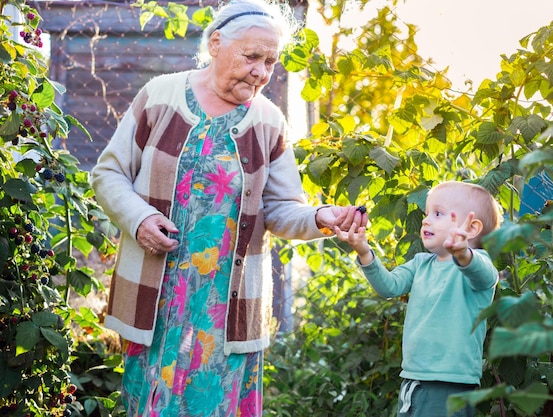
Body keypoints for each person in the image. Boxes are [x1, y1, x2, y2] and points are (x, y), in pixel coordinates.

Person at [90, 0, 366, 415]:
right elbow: (108, 174)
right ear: (216, 43)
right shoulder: (160, 96)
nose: (261, 71)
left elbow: (282, 208)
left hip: (227, 309)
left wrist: (319, 217)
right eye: (252, 56)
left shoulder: (268, 121)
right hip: (158, 298)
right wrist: (140, 218)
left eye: (270, 61)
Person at [334, 181, 502, 417]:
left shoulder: (476, 265)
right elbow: (389, 286)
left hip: (449, 384)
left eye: (438, 213)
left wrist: (463, 253)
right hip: (413, 378)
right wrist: (363, 251)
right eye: (427, 214)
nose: (426, 220)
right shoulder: (421, 264)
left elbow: (485, 276)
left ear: (471, 228)